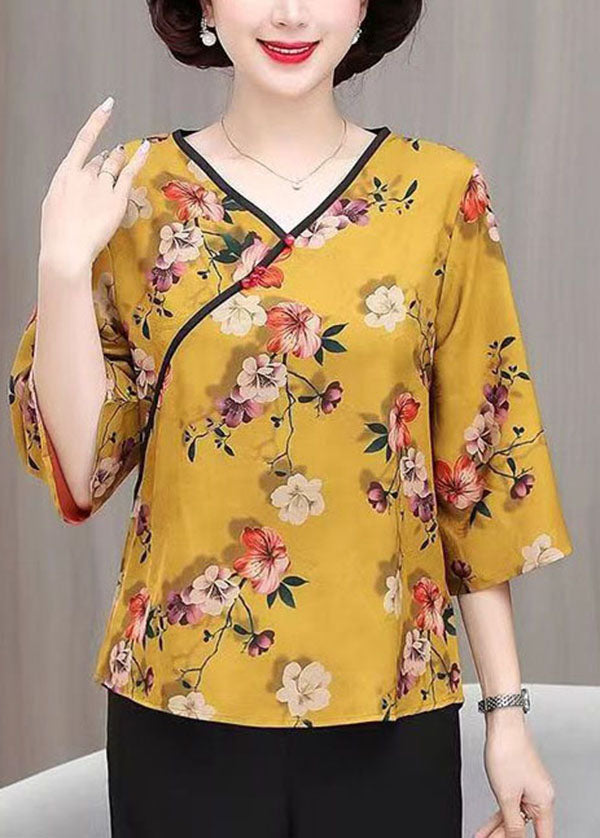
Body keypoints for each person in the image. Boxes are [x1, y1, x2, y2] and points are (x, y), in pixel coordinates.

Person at [7, 1, 574, 836]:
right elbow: (83, 468)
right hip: (181, 701)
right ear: (205, 5)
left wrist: (507, 716)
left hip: (391, 702)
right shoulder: (134, 193)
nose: (290, 12)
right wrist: (61, 270)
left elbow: (473, 473)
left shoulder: (438, 193)